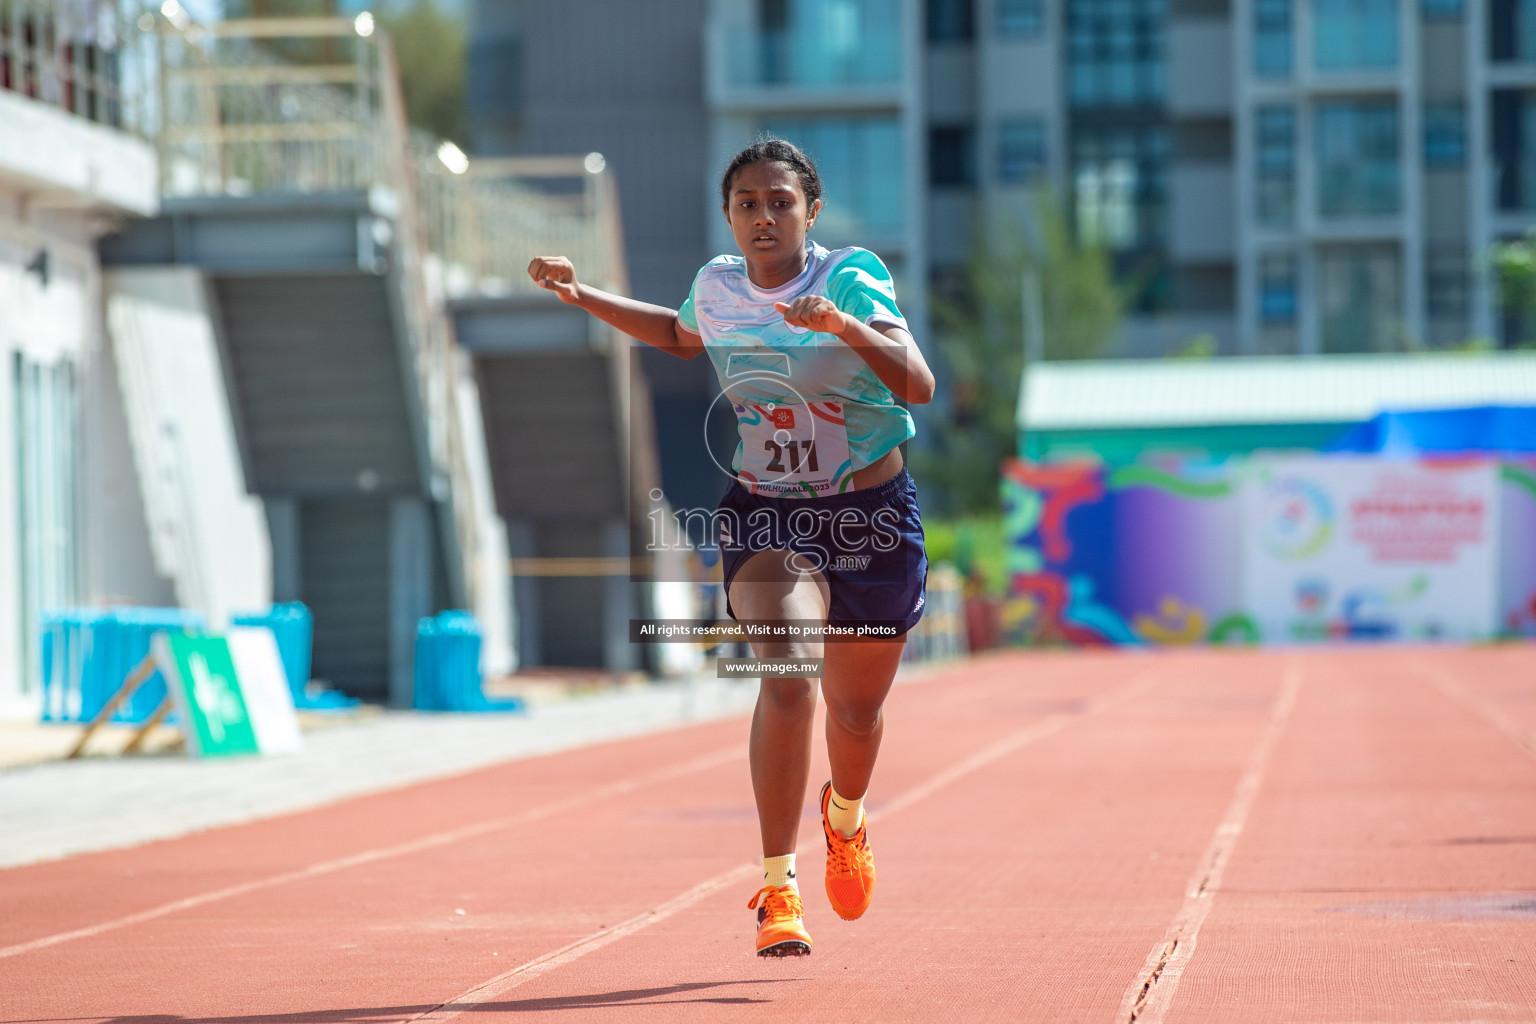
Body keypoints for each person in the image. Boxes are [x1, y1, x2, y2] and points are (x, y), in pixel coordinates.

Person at [527, 137, 935, 958]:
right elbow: (681, 338)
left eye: (780, 202)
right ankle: (778, 887)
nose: (763, 217)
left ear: (809, 211)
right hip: (767, 513)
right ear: (728, 215)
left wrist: (842, 325)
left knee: (856, 716)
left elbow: (916, 384)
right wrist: (585, 297)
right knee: (785, 676)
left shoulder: (849, 276)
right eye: (747, 204)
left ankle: (846, 819)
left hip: (870, 517)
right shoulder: (717, 285)